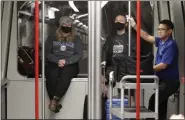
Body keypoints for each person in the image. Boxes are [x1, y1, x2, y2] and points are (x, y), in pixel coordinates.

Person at [129, 18, 180, 119]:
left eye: (163, 29)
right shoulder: (161, 41)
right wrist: (134, 25)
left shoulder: (171, 45)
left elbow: (163, 65)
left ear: (170, 31)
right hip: (162, 81)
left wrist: (146, 70)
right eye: (159, 29)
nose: (160, 31)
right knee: (161, 106)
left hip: (169, 82)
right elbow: (146, 36)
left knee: (154, 100)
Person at [45, 16, 83, 113]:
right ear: (60, 26)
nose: (67, 26)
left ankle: (54, 101)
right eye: (64, 25)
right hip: (54, 63)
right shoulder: (52, 38)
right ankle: (54, 101)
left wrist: (67, 61)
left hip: (70, 64)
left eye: (69, 25)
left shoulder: (76, 38)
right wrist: (57, 60)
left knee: (66, 74)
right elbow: (47, 53)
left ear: (72, 26)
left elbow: (79, 54)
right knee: (51, 75)